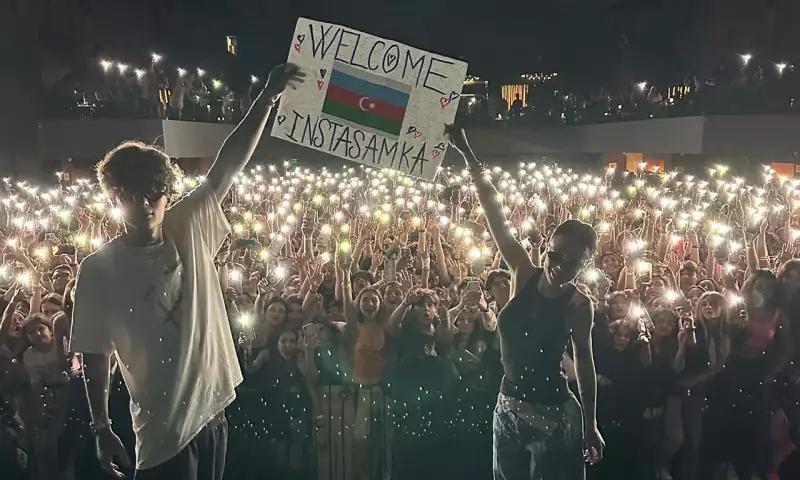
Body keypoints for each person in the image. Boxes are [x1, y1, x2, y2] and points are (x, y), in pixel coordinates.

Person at [69, 63, 305, 480]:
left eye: (153, 195)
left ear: (166, 193)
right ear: (114, 198)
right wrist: (101, 426)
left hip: (213, 414)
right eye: (130, 196)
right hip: (162, 433)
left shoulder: (188, 224)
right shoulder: (98, 269)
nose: (144, 206)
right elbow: (94, 353)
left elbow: (228, 164)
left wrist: (267, 99)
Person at [447, 125, 604, 479]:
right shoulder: (521, 270)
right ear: (546, 247)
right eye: (555, 255)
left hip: (554, 414)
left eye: (572, 263)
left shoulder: (579, 306)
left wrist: (590, 424)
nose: (559, 266)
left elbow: (585, 365)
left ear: (585, 265)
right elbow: (495, 215)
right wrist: (469, 155)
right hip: (508, 407)